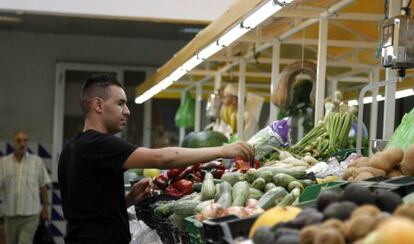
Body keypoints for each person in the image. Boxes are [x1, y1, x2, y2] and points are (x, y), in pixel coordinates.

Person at [58, 74, 253, 244]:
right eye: (120, 103)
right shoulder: (100, 144)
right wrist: (223, 150)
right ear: (98, 105)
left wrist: (128, 199)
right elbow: (161, 158)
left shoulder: (71, 149)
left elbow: (86, 210)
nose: (127, 110)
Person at [0, 131, 51, 244]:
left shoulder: (37, 162)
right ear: (13, 143)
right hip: (10, 214)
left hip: (30, 214)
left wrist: (46, 209)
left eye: (25, 141)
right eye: (19, 141)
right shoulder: (4, 163)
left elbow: (43, 187)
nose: (22, 144)